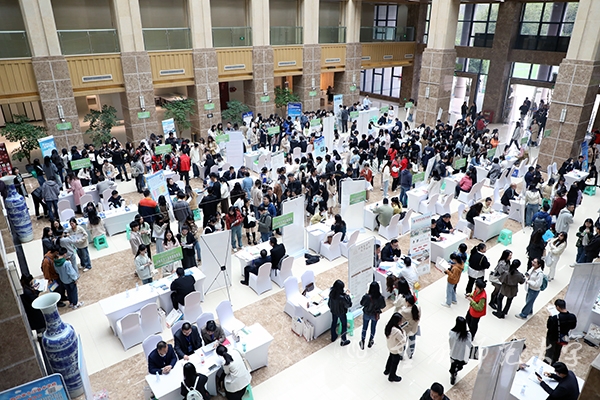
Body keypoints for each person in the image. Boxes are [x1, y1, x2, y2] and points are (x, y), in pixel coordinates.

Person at [544, 299, 577, 365]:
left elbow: (549, 326)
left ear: (557, 307)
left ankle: (546, 363)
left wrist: (550, 317)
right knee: (557, 351)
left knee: (549, 351)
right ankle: (554, 364)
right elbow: (573, 327)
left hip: (552, 337)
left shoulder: (555, 318)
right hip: (563, 337)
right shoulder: (572, 317)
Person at [359, 281, 386, 350]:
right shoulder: (381, 297)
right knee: (373, 328)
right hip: (375, 315)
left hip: (367, 313)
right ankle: (371, 341)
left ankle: (362, 341)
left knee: (364, 328)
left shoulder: (366, 297)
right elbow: (383, 306)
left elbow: (362, 303)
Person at [328, 279, 352, 346]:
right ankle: (343, 340)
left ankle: (333, 337)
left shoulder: (331, 294)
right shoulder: (342, 297)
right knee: (344, 325)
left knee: (334, 323)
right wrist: (347, 296)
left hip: (333, 311)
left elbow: (329, 303)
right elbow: (348, 305)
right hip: (341, 313)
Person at [449, 316, 472, 384]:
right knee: (460, 366)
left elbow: (450, 343)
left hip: (454, 354)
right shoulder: (468, 335)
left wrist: (452, 349)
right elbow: (469, 345)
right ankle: (456, 370)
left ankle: (453, 376)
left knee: (453, 365)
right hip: (463, 356)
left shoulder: (452, 333)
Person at [383, 312, 406, 382]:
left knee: (390, 357)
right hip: (396, 349)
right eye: (400, 321)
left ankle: (387, 370)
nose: (401, 322)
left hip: (390, 346)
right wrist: (404, 333)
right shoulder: (397, 332)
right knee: (395, 363)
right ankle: (392, 376)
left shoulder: (388, 326)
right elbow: (403, 341)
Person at [400, 293, 421, 359]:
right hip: (414, 329)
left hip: (406, 330)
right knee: (412, 342)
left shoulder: (404, 311)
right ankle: (410, 354)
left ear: (407, 302)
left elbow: (401, 321)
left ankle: (401, 355)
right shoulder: (418, 307)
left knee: (403, 343)